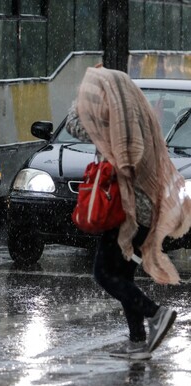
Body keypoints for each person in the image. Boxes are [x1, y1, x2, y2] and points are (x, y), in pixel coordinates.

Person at [66, 66, 191, 360]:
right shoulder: (137, 120)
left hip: (126, 215)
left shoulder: (117, 128)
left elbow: (75, 123)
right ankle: (138, 343)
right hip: (144, 215)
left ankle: (156, 314)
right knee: (123, 276)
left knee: (104, 274)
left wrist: (83, 94)